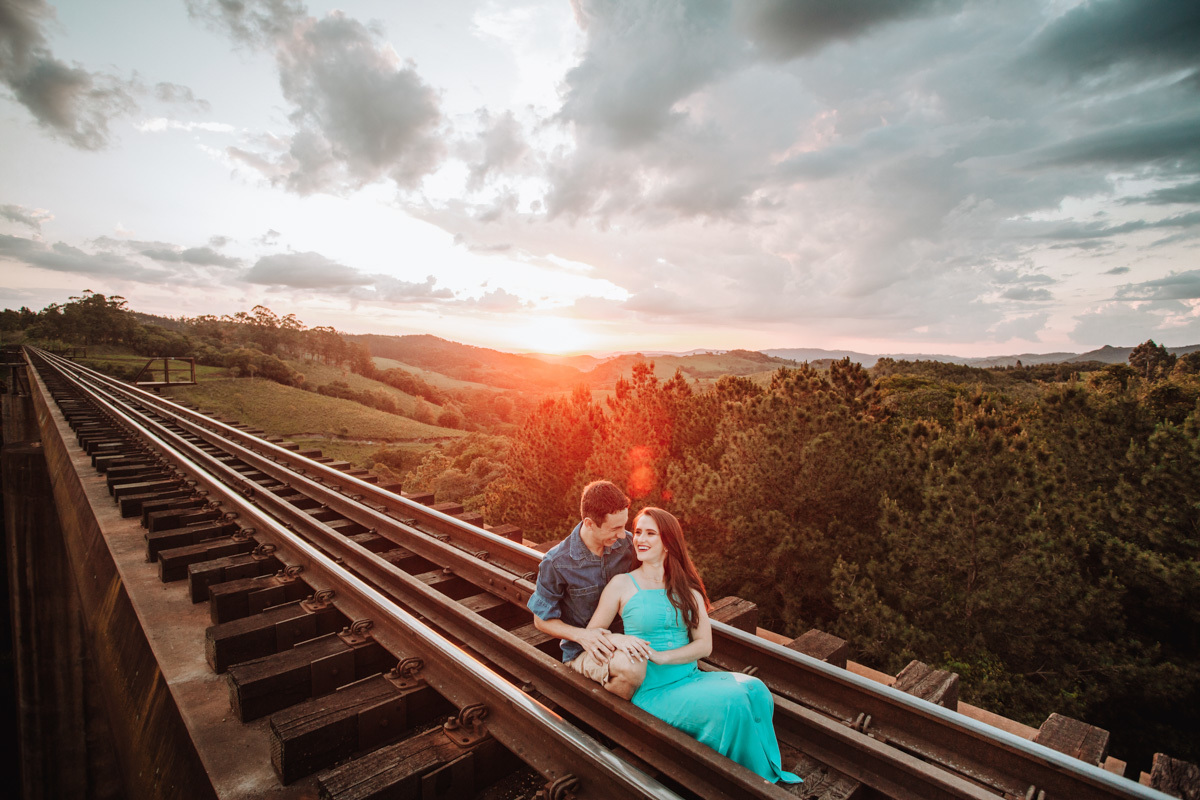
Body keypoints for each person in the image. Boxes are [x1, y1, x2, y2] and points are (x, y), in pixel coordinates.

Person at [587, 507, 802, 785]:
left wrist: (664, 657)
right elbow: (593, 633)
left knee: (756, 689)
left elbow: (704, 645)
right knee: (732, 702)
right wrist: (620, 639)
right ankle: (747, 783)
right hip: (653, 689)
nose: (640, 538)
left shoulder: (686, 587)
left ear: (668, 543)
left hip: (690, 677)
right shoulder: (621, 584)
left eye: (651, 533)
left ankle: (760, 773)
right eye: (638, 532)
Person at [527, 480, 652, 699]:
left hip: (631, 637)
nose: (623, 535)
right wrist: (582, 636)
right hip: (585, 649)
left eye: (624, 526)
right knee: (634, 670)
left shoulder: (626, 545)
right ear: (589, 523)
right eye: (615, 528)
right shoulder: (557, 562)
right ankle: (608, 713)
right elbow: (540, 620)